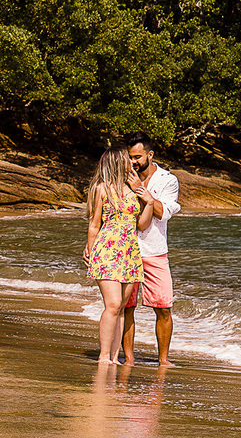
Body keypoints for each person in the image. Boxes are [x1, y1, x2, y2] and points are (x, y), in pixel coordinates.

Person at [84, 146, 153, 363]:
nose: (131, 162)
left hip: (130, 252)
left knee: (122, 307)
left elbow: (141, 224)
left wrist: (148, 201)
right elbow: (94, 224)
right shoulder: (102, 189)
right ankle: (104, 356)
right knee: (113, 304)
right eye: (126, 159)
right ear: (116, 162)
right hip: (107, 250)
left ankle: (114, 357)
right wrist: (90, 249)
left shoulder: (133, 189)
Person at [119, 132, 181, 366]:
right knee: (127, 307)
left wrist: (144, 193)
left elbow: (163, 212)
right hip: (125, 249)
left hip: (155, 250)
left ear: (150, 154)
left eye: (137, 157)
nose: (133, 162)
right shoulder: (122, 177)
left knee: (163, 307)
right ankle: (129, 358)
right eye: (130, 157)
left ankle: (163, 360)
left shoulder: (168, 180)